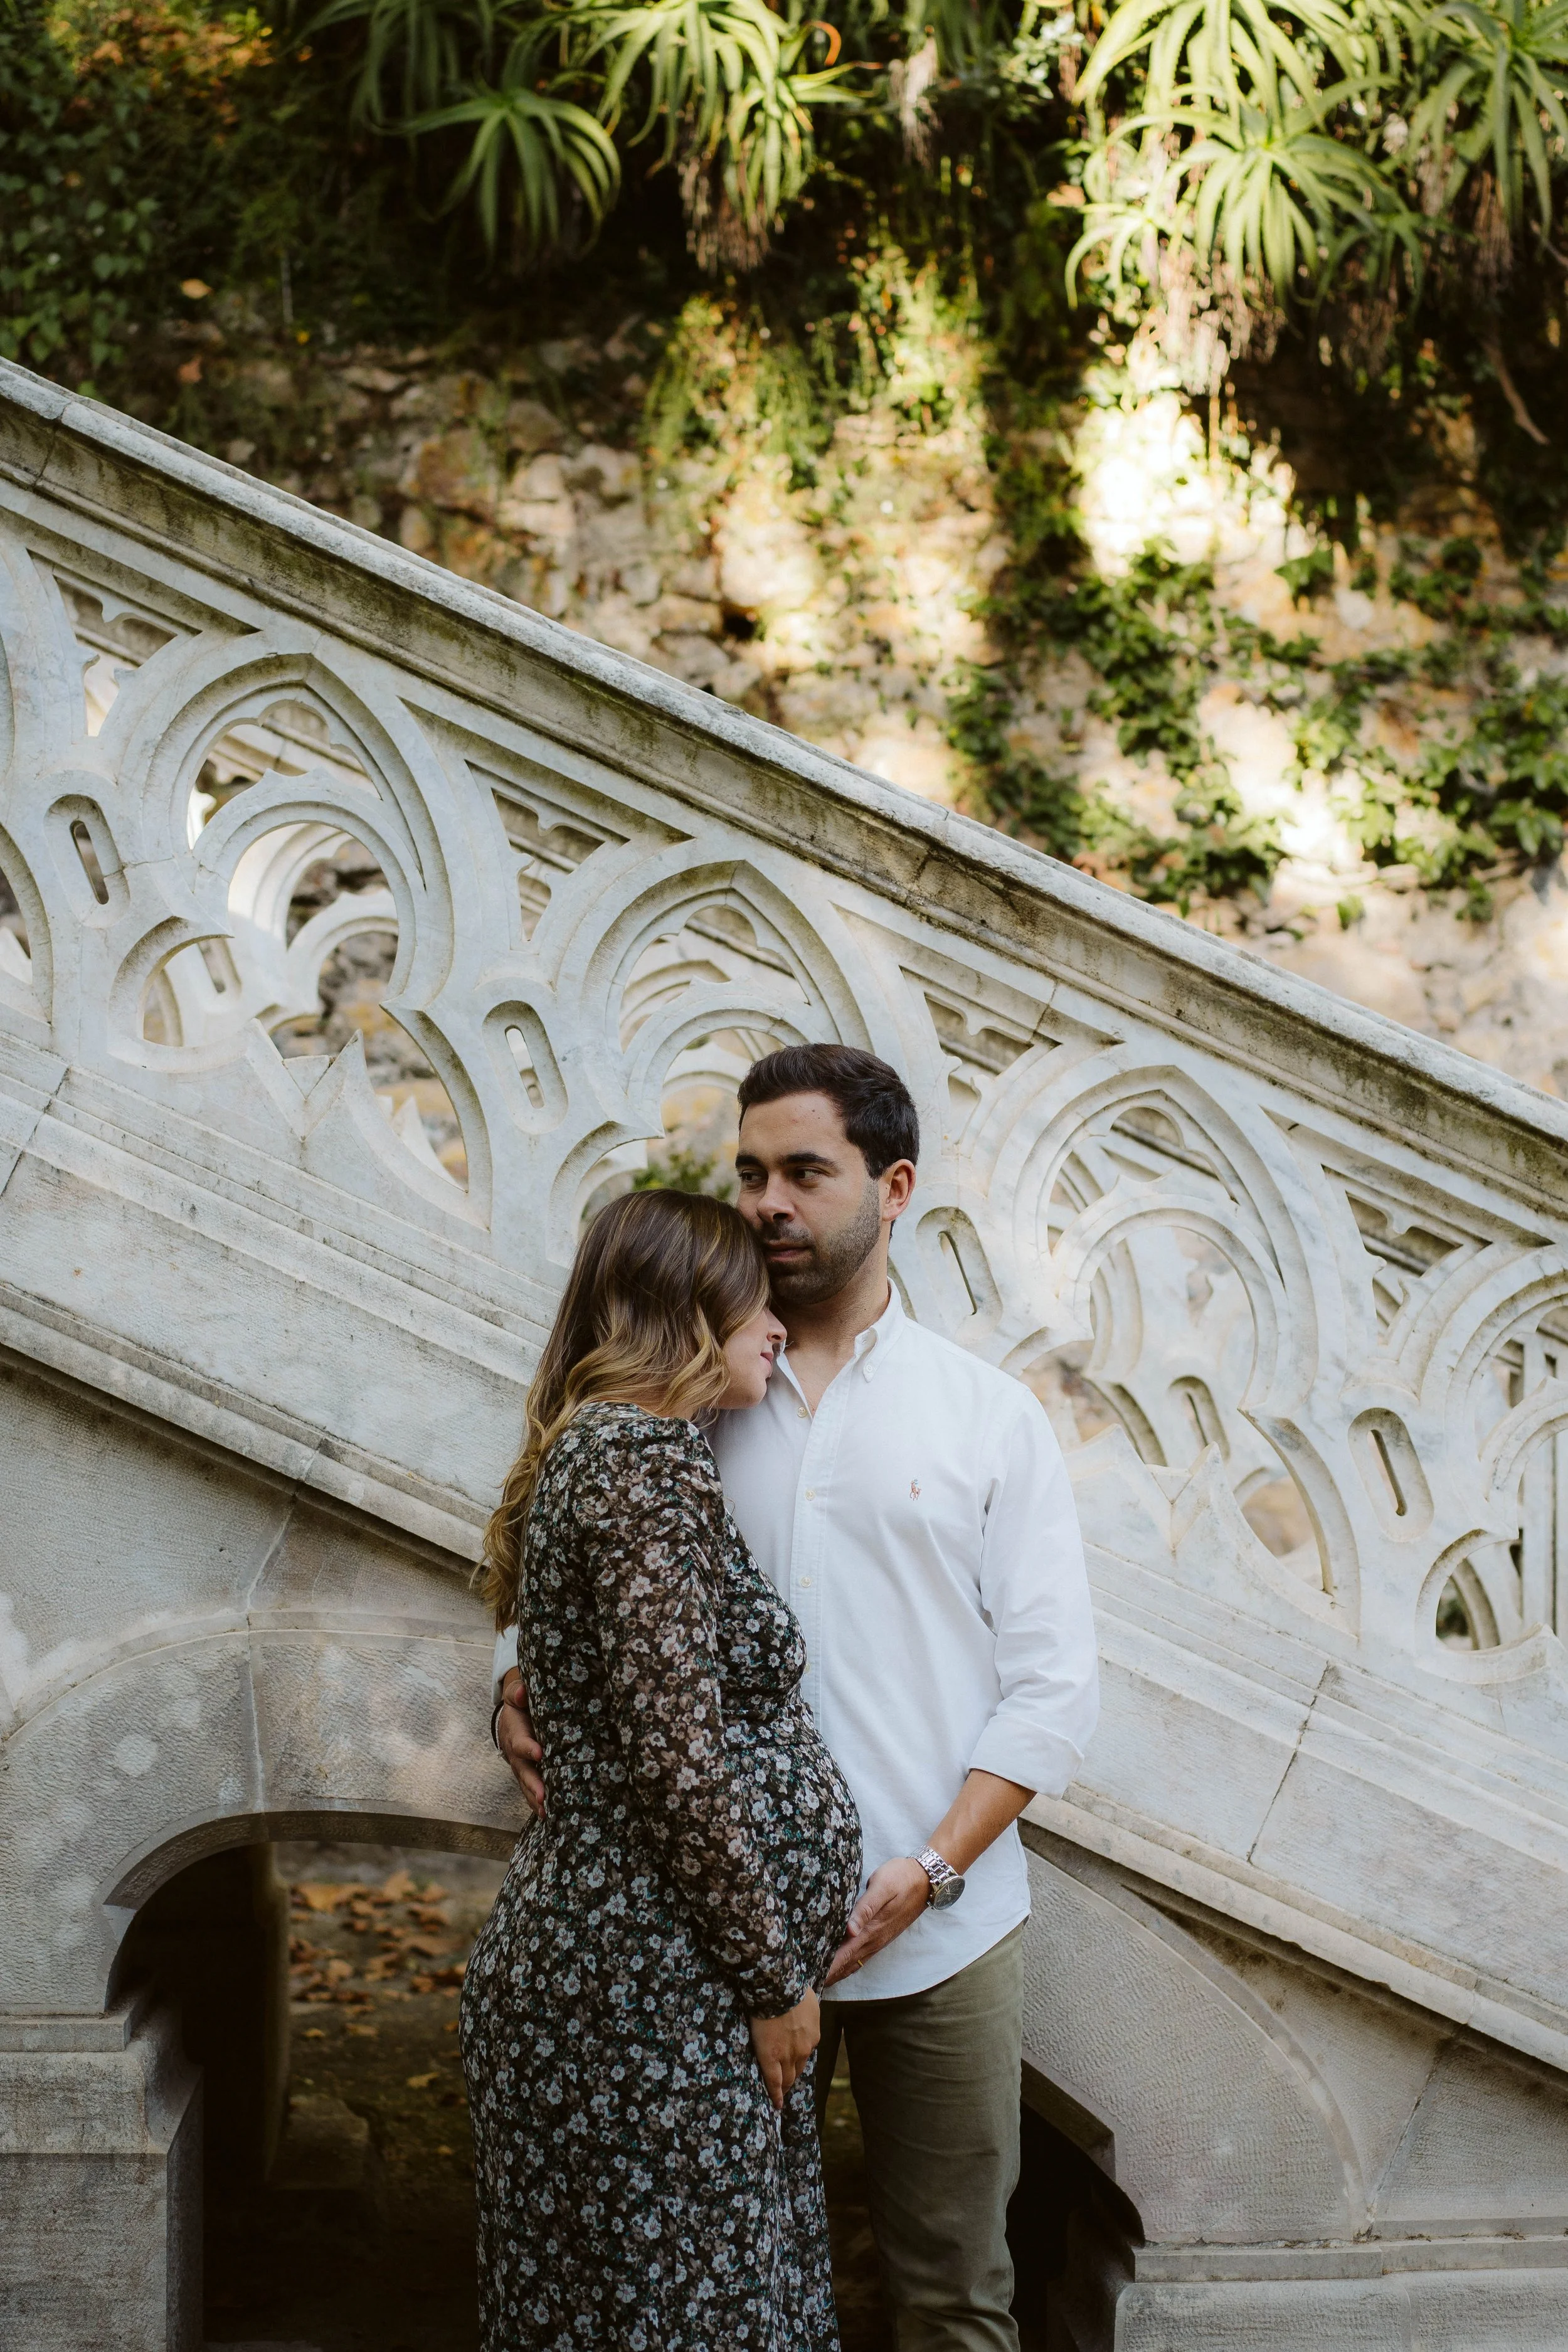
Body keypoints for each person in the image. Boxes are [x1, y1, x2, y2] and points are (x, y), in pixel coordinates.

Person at [495, 1044, 1100, 2351]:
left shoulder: (984, 1419)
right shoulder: (691, 1389)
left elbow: (1051, 1692)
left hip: (938, 1927)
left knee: (949, 2290)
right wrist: (518, 1683)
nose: (767, 1201)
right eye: (750, 1171)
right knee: (719, 2288)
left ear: (891, 1189)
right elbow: (592, 1588)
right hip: (707, 1946)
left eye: (803, 1173)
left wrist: (930, 1871)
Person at [460, 1186, 862, 2352]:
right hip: (655, 1992)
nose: (776, 1325)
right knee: (688, 2316)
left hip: (639, 1972)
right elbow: (678, 1765)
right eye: (752, 1304)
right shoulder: (644, 1465)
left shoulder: (609, 1454)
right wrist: (773, 1982)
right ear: (689, 1315)